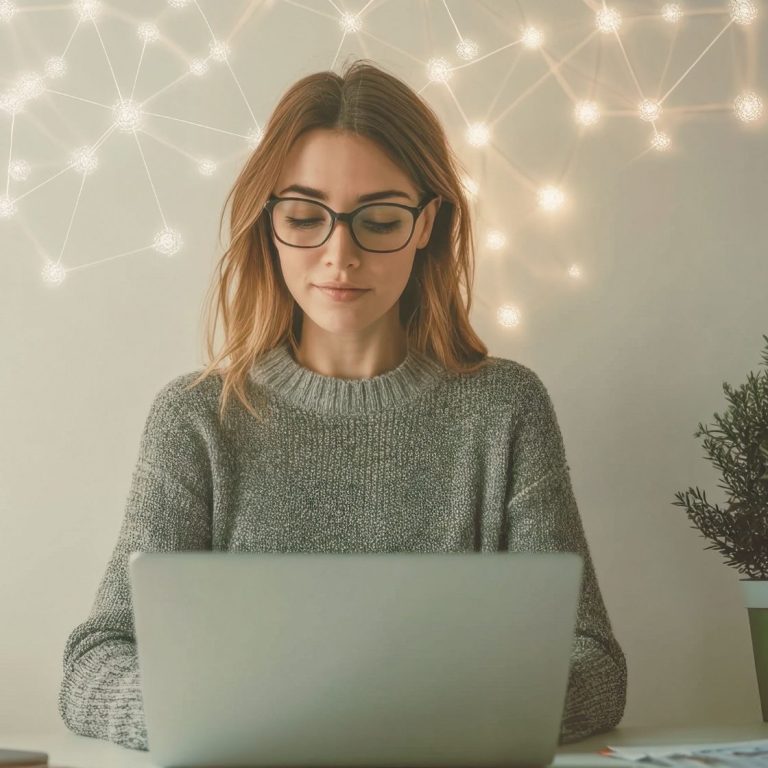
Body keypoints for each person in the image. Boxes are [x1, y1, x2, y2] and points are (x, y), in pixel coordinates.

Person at [57, 58, 627, 752]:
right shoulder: (196, 418)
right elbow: (94, 662)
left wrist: (406, 720)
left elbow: (594, 664)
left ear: (427, 224)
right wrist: (202, 715)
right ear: (269, 224)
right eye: (304, 217)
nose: (340, 255)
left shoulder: (505, 410)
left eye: (379, 221)